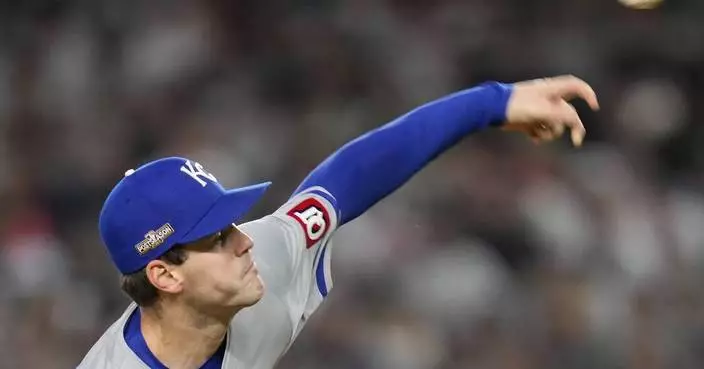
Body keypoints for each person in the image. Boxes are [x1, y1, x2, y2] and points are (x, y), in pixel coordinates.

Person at [78, 75, 599, 369]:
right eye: (217, 237)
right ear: (165, 275)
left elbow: (349, 179)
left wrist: (492, 102)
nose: (242, 241)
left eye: (233, 223)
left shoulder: (262, 257)